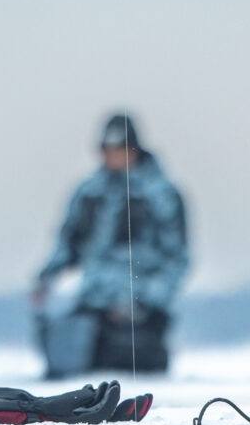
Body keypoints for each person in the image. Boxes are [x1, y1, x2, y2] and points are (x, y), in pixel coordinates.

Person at [32, 113, 189, 378]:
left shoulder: (162, 197)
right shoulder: (90, 194)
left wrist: (147, 301)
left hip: (142, 321)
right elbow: (68, 242)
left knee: (140, 394)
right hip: (93, 313)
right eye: (109, 150)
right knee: (81, 388)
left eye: (121, 149)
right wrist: (46, 278)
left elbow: (177, 258)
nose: (115, 156)